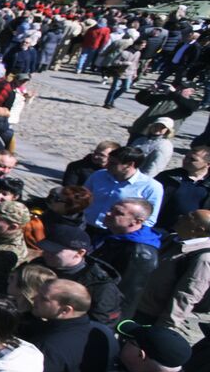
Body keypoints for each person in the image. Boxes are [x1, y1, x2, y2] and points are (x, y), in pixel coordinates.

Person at [25, 278, 117, 372]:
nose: (34, 298)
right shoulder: (103, 333)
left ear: (65, 310)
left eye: (43, 298)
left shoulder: (49, 346)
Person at [136, 209, 210, 340]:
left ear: (199, 229)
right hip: (136, 304)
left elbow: (187, 296)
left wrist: (163, 329)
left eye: (188, 218)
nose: (180, 216)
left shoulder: (203, 257)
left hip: (150, 316)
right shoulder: (172, 238)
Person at [30, 224, 124, 324]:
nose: (46, 253)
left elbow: (100, 324)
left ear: (80, 253)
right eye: (46, 248)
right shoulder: (39, 264)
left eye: (54, 251)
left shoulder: (100, 286)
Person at [89, 199, 161, 314]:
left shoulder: (140, 253)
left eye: (118, 213)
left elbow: (127, 293)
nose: (108, 213)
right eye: (111, 209)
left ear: (136, 221)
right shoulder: (109, 234)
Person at [84, 146, 163, 229]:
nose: (107, 165)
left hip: (115, 234)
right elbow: (83, 198)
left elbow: (149, 219)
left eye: (113, 163)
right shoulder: (99, 175)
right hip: (86, 226)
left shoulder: (151, 187)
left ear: (129, 165)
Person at [154, 145, 210, 227]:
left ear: (207, 164)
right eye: (186, 157)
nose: (186, 160)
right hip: (160, 226)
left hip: (192, 232)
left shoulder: (207, 185)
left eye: (192, 159)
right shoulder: (168, 177)